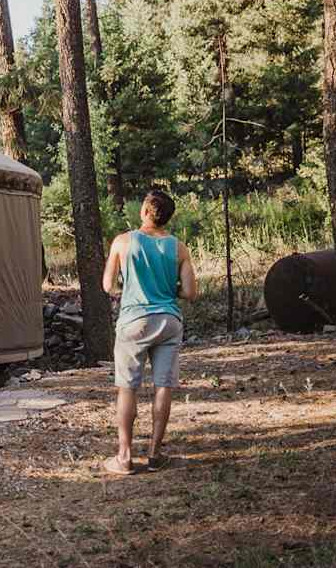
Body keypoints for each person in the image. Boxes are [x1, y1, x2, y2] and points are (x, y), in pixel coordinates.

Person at [101, 189, 197, 475]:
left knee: (128, 387)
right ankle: (155, 453)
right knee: (162, 385)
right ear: (167, 217)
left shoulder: (123, 241)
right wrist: (170, 289)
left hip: (134, 321)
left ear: (144, 211)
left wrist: (127, 287)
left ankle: (125, 456)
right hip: (168, 320)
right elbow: (191, 292)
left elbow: (108, 285)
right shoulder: (179, 247)